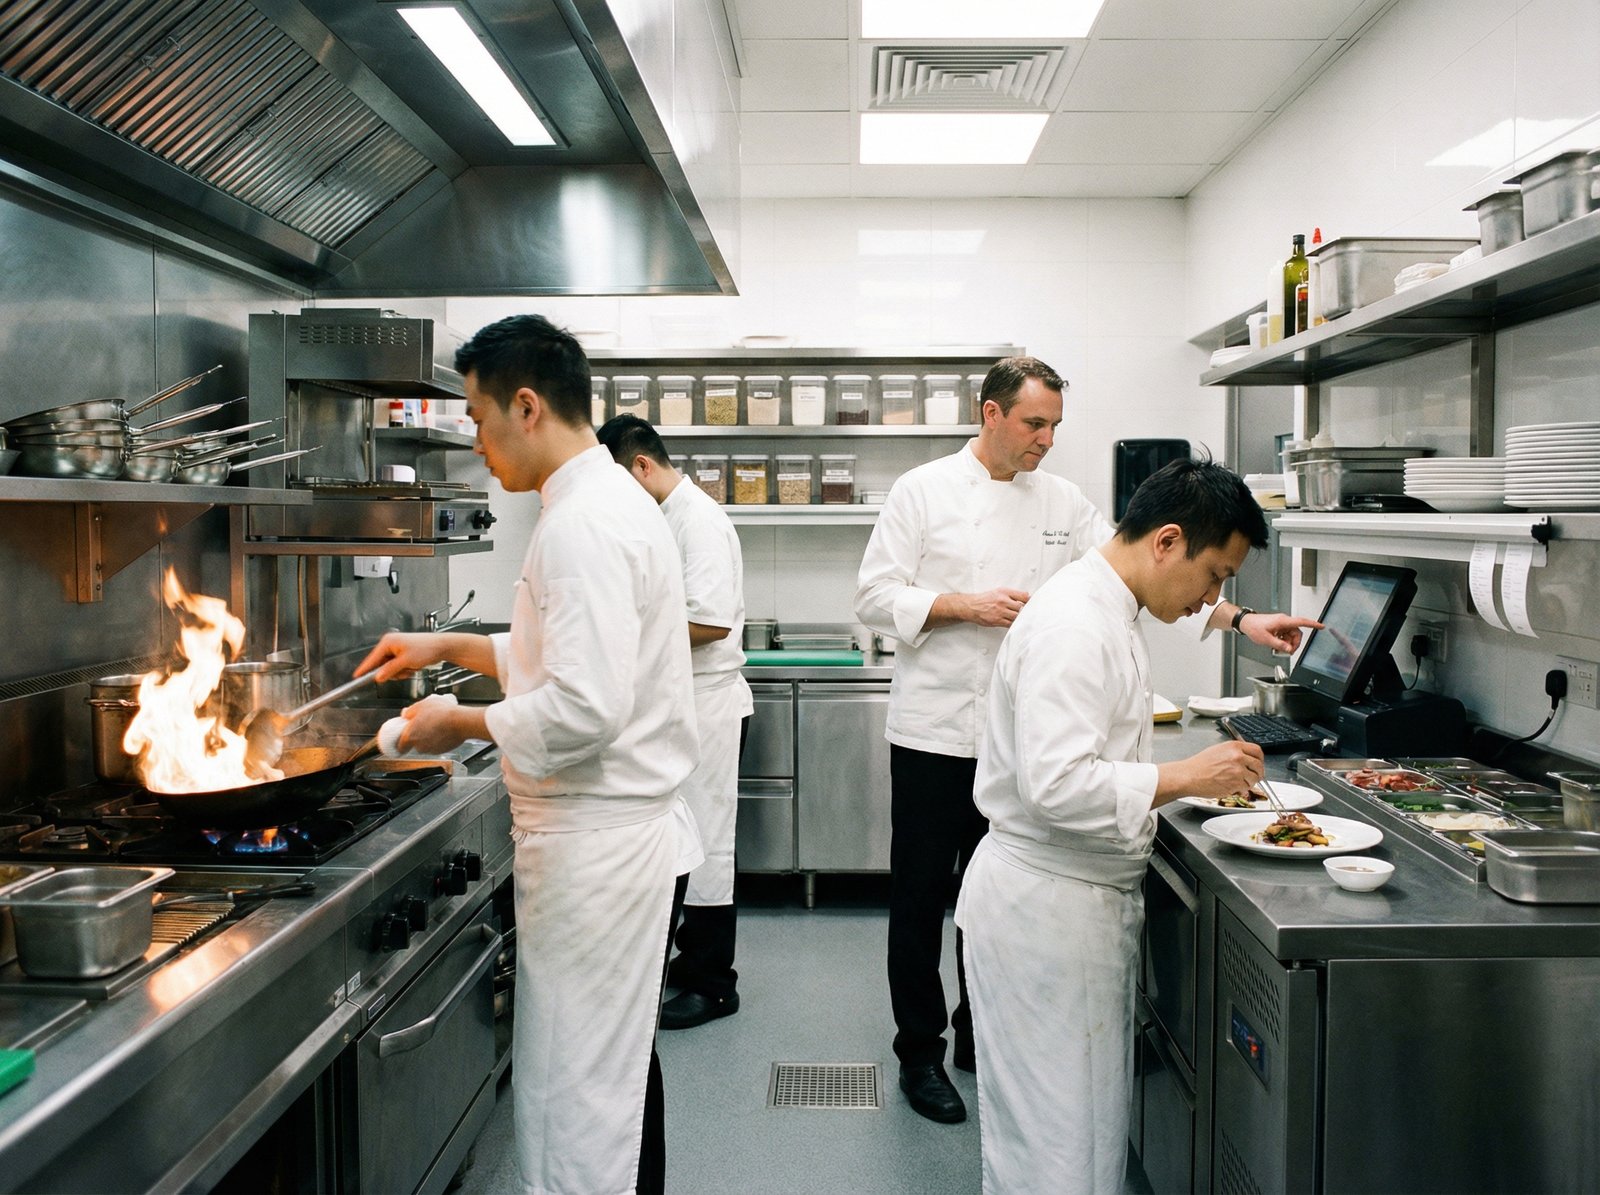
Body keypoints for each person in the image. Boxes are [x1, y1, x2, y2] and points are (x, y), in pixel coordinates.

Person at [853, 356, 1314, 1125]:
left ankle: (981, 1032)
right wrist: (965, 604)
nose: (1047, 440)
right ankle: (920, 1053)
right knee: (922, 897)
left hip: (1029, 728)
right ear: (991, 413)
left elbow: (1145, 564)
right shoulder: (922, 490)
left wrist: (1239, 619)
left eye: (1056, 425)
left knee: (989, 890)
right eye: (1035, 423)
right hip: (937, 731)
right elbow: (872, 594)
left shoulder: (1061, 500)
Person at [355, 314, 697, 1195]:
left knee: (580, 1094)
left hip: (599, 846)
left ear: (528, 405)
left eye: (476, 418)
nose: (476, 442)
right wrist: (447, 650)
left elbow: (582, 707)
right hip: (608, 842)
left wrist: (451, 724)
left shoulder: (585, 525)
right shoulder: (599, 504)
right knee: (602, 1076)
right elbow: (563, 659)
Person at [956, 457, 1277, 1193]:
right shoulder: (1075, 622)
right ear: (1167, 541)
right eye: (1216, 575)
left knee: (1070, 1135)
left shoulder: (1105, 605)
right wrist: (1186, 776)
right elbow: (1057, 784)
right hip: (1047, 910)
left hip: (1064, 903)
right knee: (1058, 1148)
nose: (1212, 598)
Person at [598, 413, 753, 1029]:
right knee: (685, 838)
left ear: (641, 465)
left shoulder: (700, 521)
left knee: (710, 842)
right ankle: (686, 969)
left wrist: (620, 634)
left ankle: (713, 984)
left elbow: (710, 621)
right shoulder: (663, 517)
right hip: (681, 702)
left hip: (709, 705)